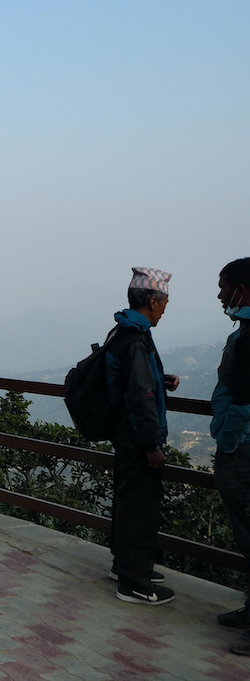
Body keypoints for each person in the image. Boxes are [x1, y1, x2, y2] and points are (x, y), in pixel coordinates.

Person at [106, 267, 180, 605]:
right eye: (164, 303)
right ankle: (134, 583)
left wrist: (159, 379)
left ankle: (125, 566)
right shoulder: (137, 338)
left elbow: (134, 381)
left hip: (123, 434)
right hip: (137, 438)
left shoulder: (122, 331)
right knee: (140, 506)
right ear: (152, 300)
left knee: (127, 501)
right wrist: (151, 445)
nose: (165, 309)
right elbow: (139, 395)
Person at [211, 257, 250, 656]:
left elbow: (243, 401)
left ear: (242, 289)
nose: (220, 295)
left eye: (224, 287)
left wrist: (227, 441)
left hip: (243, 450)